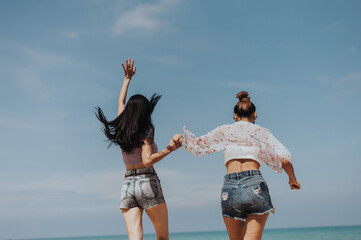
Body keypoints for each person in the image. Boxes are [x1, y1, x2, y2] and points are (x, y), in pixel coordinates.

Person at [178, 91, 300, 240]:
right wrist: (293, 180)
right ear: (255, 114)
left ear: (235, 116)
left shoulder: (223, 130)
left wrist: (180, 138)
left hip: (230, 188)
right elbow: (286, 160)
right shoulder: (262, 132)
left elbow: (196, 144)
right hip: (254, 184)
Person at [95, 58, 181, 240]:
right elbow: (147, 160)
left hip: (127, 185)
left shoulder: (122, 127)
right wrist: (169, 149)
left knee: (134, 237)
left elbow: (120, 103)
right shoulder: (146, 129)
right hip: (147, 182)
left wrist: (127, 79)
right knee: (163, 237)